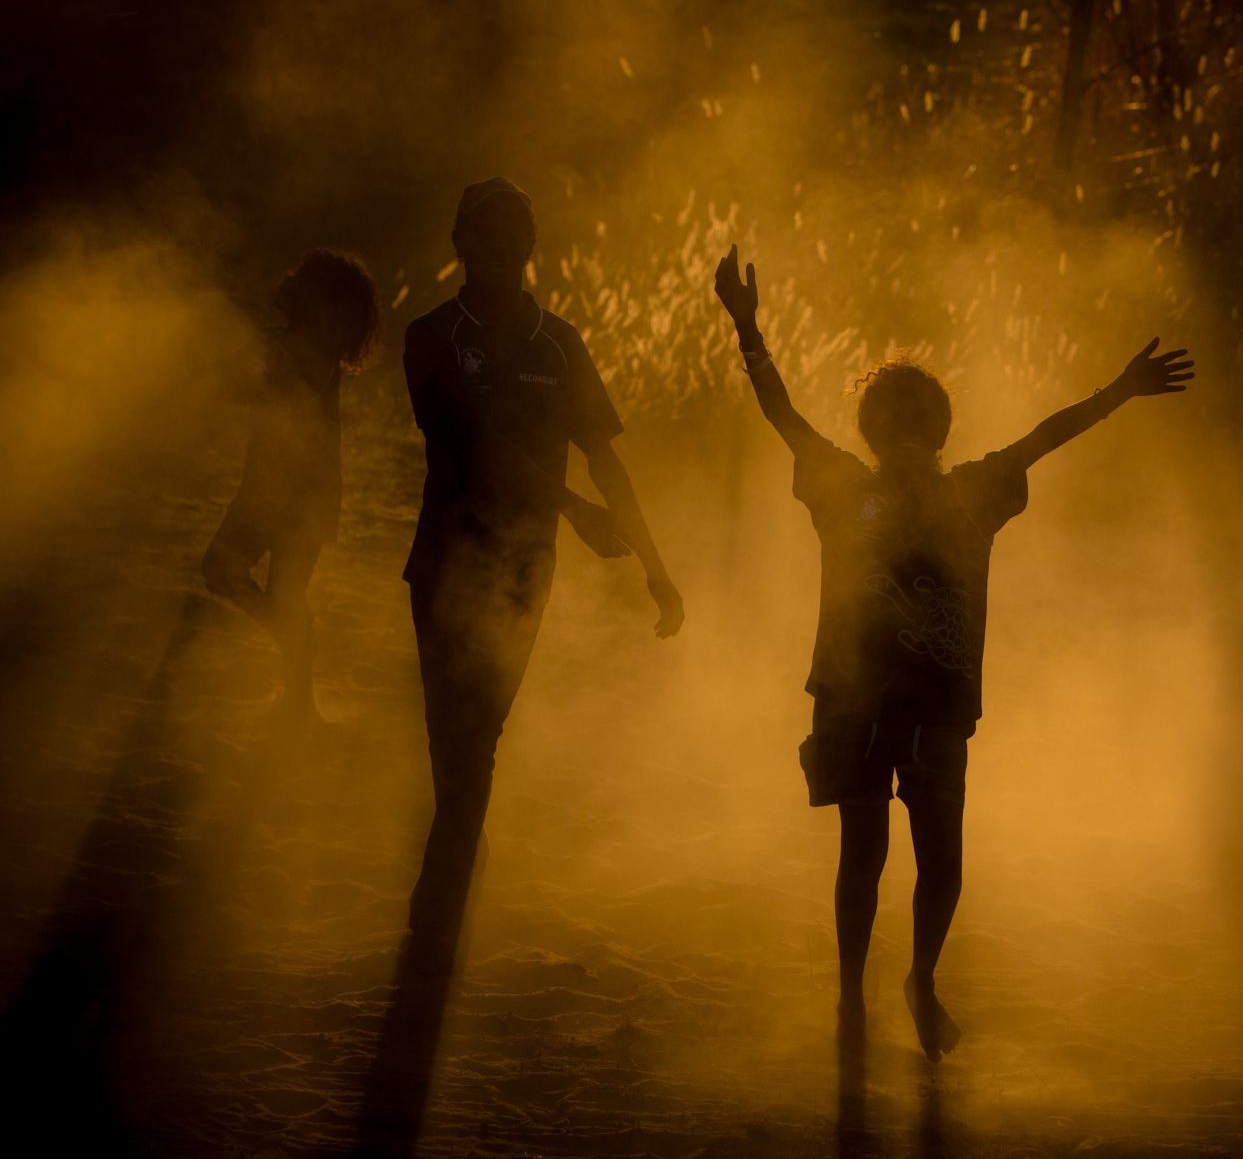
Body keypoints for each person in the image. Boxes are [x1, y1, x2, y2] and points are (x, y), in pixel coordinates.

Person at [712, 243, 1192, 1061]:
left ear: (940, 433)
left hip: (938, 704)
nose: (905, 436)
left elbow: (1046, 436)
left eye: (920, 424)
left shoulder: (972, 492)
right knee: (862, 855)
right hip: (853, 700)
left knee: (942, 863)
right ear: (870, 432)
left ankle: (921, 979)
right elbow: (781, 412)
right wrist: (747, 325)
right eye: (891, 424)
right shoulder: (842, 489)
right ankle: (850, 994)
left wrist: (1120, 391)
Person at [400, 178, 683, 960]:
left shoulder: (560, 344)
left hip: (527, 567)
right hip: (446, 559)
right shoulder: (428, 337)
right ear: (460, 245)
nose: (501, 254)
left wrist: (656, 568)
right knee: (451, 738)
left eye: (514, 241)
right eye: (485, 239)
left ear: (531, 249)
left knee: (477, 734)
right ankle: (459, 852)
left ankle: (443, 893)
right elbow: (480, 446)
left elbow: (606, 459)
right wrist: (574, 508)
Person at [203, 248, 381, 723]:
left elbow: (256, 389)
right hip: (298, 491)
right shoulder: (304, 346)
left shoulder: (300, 349)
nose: (290, 281)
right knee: (277, 595)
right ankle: (299, 682)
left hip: (283, 492)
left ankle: (298, 670)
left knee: (225, 570)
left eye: (303, 280)